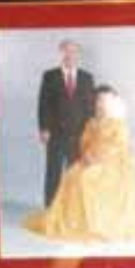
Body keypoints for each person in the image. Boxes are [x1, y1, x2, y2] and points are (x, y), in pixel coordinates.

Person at [23, 86, 135, 245]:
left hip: (113, 164)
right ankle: (77, 221)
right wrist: (87, 155)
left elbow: (118, 146)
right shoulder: (92, 123)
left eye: (106, 100)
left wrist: (97, 157)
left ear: (112, 102)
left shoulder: (118, 124)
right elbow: (85, 142)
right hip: (91, 159)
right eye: (99, 100)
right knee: (72, 174)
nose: (102, 104)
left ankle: (97, 225)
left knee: (87, 177)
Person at [36, 39, 96, 205]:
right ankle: (50, 208)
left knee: (76, 173)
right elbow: (43, 104)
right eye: (66, 51)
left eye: (73, 51)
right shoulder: (49, 76)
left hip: (79, 134)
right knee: (53, 172)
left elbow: (90, 109)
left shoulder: (87, 77)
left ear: (78, 54)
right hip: (55, 133)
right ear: (61, 53)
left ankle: (73, 209)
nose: (70, 55)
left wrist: (89, 133)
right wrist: (44, 129)